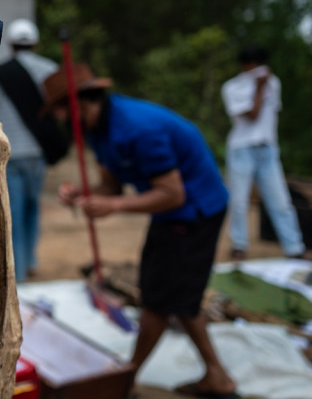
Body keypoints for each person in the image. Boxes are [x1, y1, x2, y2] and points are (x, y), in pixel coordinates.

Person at [50, 65, 240, 399]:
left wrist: (113, 208)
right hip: (171, 214)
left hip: (194, 212)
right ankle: (217, 377)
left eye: (61, 109)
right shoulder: (96, 129)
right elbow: (112, 186)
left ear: (79, 102)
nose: (60, 118)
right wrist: (84, 194)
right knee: (180, 295)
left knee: (159, 300)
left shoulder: (139, 128)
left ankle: (126, 377)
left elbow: (172, 194)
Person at [0, 18, 59, 282]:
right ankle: (31, 260)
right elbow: (61, 110)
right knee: (34, 207)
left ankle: (18, 271)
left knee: (14, 213)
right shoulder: (50, 69)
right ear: (35, 42)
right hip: (38, 152)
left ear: (10, 44)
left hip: (10, 154)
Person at [222, 47, 310, 260]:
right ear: (246, 65)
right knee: (239, 200)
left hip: (268, 150)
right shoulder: (232, 87)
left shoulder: (274, 83)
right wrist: (259, 88)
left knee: (280, 200)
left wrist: (265, 85)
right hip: (241, 149)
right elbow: (252, 116)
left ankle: (294, 247)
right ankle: (239, 245)